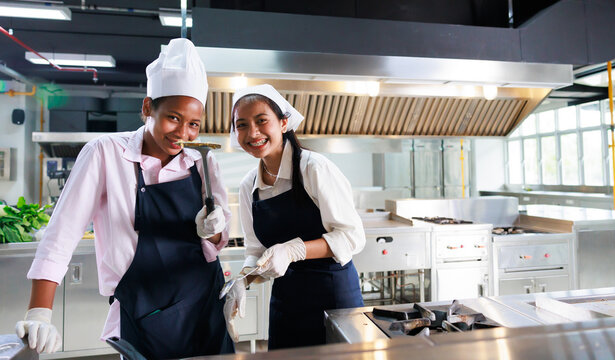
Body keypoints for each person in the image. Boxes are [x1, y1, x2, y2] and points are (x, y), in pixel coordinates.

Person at [15, 38, 235, 358]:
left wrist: (212, 228)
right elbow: (61, 235)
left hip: (205, 311)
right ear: (147, 107)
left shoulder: (203, 162)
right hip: (144, 317)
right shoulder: (105, 154)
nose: (183, 133)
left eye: (193, 125)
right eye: (173, 117)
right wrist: (39, 312)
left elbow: (215, 243)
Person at [225, 84, 365, 350]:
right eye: (241, 125)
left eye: (261, 121)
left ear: (283, 122)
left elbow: (352, 237)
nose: (252, 132)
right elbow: (256, 250)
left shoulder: (314, 168)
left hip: (334, 300)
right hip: (286, 303)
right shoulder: (248, 185)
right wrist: (243, 280)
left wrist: (294, 250)